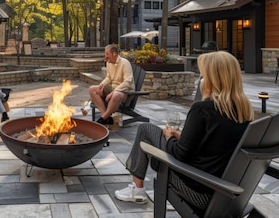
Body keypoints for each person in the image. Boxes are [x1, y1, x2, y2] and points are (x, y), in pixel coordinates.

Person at [114, 51, 254, 209]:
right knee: (152, 131)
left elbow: (180, 154)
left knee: (145, 130)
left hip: (197, 189)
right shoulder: (244, 112)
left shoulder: (202, 110)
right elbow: (215, 145)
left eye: (203, 76)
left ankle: (137, 189)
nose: (201, 80)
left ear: (213, 79)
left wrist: (170, 137)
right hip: (224, 190)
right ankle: (137, 188)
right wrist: (182, 137)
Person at [88, 44, 134, 125]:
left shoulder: (125, 63)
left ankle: (102, 119)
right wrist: (101, 84)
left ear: (114, 54)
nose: (105, 56)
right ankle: (105, 116)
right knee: (92, 89)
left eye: (107, 54)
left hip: (125, 91)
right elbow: (109, 77)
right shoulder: (109, 63)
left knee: (116, 95)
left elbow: (127, 82)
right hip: (113, 88)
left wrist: (113, 93)